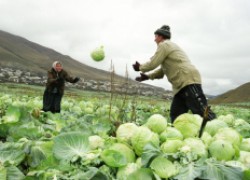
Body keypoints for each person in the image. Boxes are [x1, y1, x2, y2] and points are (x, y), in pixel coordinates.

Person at [132, 25, 216, 123]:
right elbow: (162, 71)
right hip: (180, 86)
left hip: (188, 80)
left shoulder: (164, 45)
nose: (154, 40)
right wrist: (147, 76)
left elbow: (153, 63)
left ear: (161, 36)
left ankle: (218, 129)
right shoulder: (168, 48)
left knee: (201, 110)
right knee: (176, 114)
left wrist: (140, 68)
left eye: (156, 36)